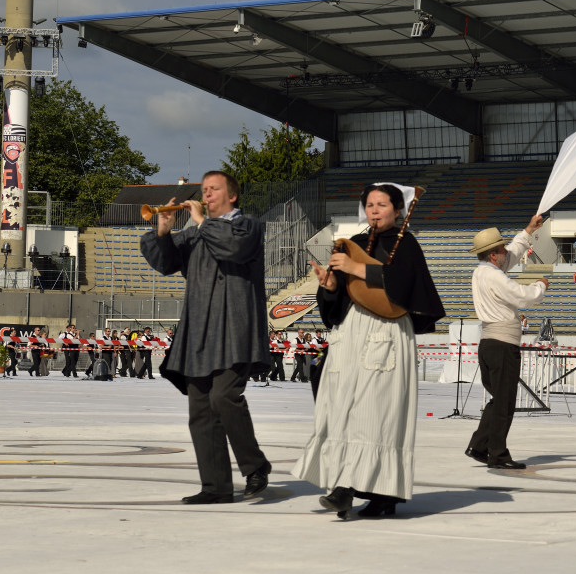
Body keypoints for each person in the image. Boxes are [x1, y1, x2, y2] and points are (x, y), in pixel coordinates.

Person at [294, 183, 444, 518]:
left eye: (382, 204)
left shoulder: (407, 245)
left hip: (386, 334)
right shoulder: (354, 245)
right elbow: (334, 302)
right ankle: (343, 486)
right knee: (343, 409)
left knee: (378, 414)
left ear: (397, 210)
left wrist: (356, 269)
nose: (375, 210)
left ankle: (380, 494)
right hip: (351, 333)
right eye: (370, 204)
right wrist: (330, 286)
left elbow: (406, 284)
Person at [140, 170, 273, 504]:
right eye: (205, 190)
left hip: (234, 327)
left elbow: (233, 248)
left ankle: (255, 466)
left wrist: (200, 222)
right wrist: (164, 230)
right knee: (200, 408)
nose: (207, 194)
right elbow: (165, 263)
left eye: (214, 189)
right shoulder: (195, 233)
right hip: (199, 328)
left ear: (233, 196)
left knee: (223, 397)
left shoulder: (249, 226)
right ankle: (215, 487)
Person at [466, 215, 548, 470]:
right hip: (502, 345)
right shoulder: (493, 276)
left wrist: (528, 231)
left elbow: (511, 254)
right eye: (500, 249)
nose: (505, 253)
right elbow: (521, 296)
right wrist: (540, 285)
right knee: (505, 401)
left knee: (499, 398)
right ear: (493, 255)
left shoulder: (484, 272)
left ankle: (480, 445)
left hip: (490, 342)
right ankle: (497, 453)